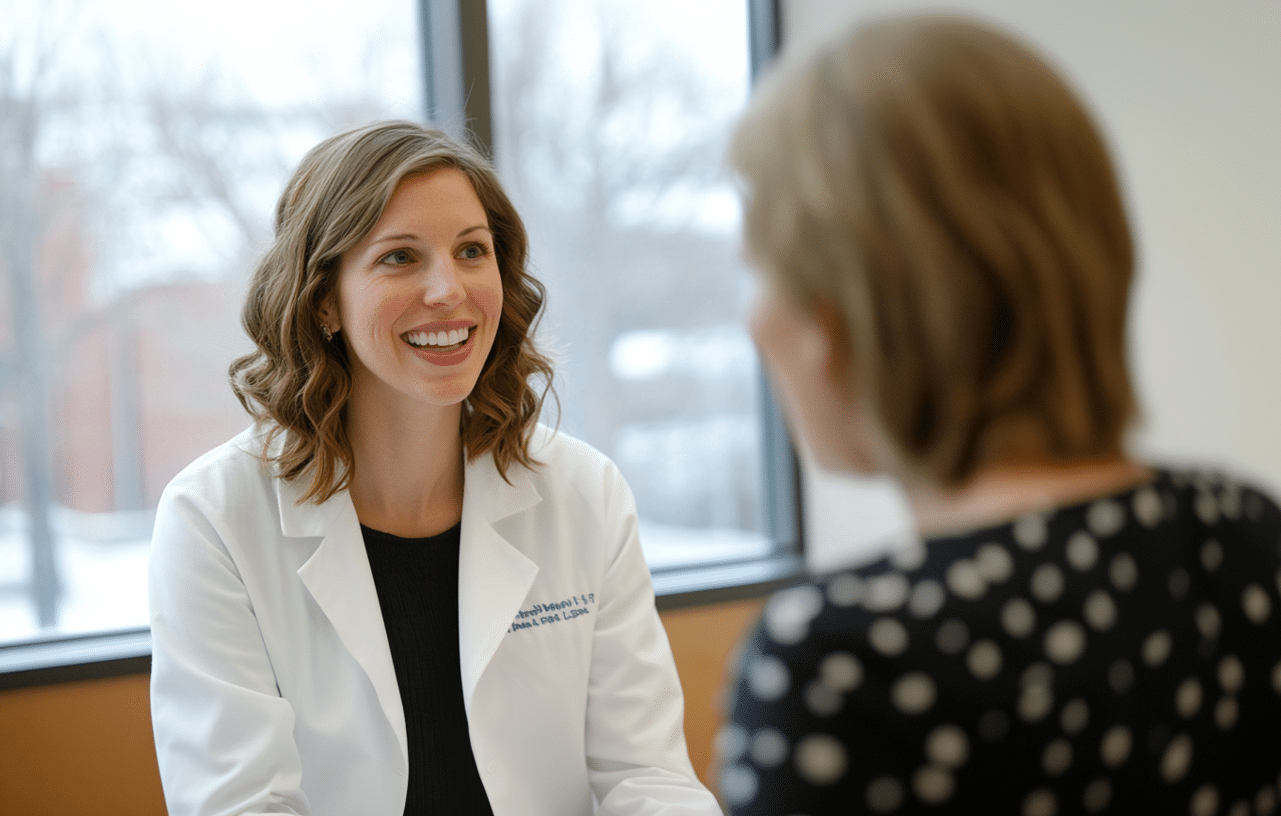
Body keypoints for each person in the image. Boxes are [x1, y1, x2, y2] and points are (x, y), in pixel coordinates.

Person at [719, 13, 1281, 816]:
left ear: (833, 318)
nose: (751, 318)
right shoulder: (1244, 534)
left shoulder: (841, 664)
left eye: (755, 271)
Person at [147, 121, 720, 816]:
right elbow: (239, 805)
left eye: (471, 251)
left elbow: (647, 776)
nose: (449, 289)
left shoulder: (583, 493)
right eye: (400, 258)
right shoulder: (212, 519)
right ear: (323, 298)